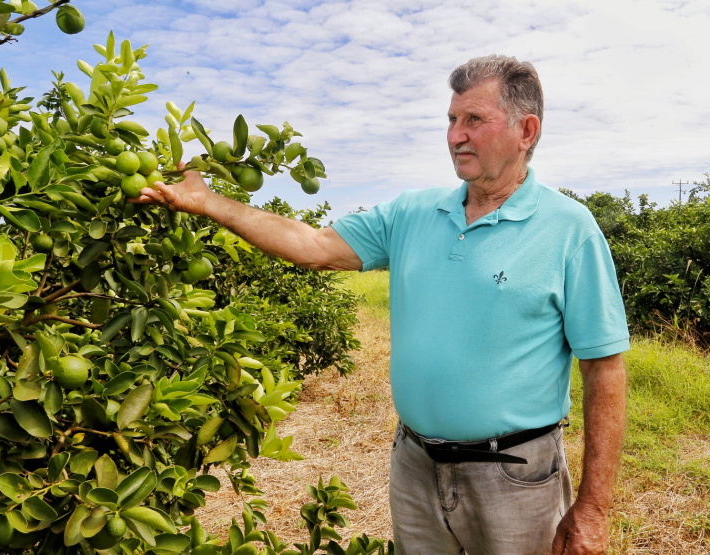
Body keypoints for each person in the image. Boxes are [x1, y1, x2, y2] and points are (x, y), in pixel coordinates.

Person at [134, 54, 629, 555]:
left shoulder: (569, 228)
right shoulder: (413, 213)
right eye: (452, 120)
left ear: (526, 131)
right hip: (415, 467)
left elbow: (604, 369)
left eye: (474, 120)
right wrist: (208, 202)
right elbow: (314, 245)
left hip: (515, 477)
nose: (456, 135)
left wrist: (593, 509)